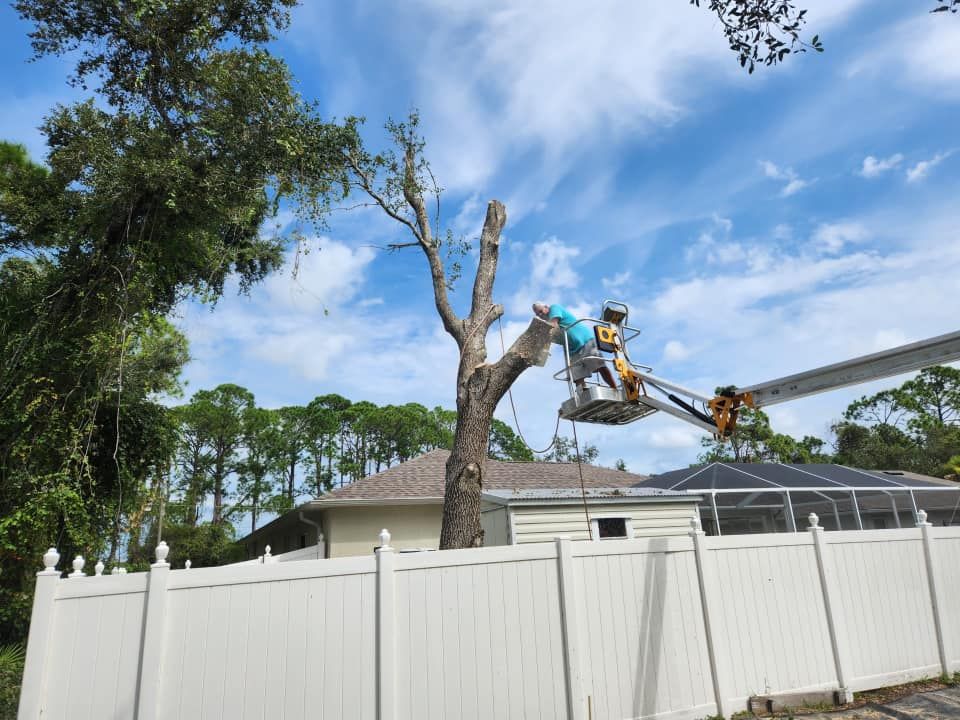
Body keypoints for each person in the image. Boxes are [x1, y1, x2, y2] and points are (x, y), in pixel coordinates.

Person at [532, 302, 617, 390]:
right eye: (538, 314)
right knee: (576, 375)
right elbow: (547, 340)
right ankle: (583, 394)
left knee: (599, 366)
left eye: (541, 311)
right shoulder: (546, 326)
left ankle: (614, 388)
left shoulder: (554, 308)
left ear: (546, 307)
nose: (540, 315)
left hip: (584, 340)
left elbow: (553, 325)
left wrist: (540, 336)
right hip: (571, 349)